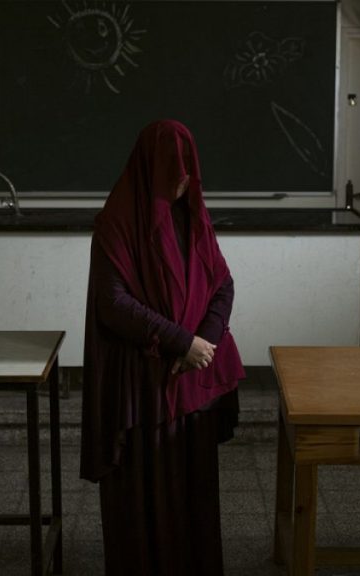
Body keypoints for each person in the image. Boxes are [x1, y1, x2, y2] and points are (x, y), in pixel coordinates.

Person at [80, 119, 245, 575]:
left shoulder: (193, 215)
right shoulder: (117, 222)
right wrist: (180, 343)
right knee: (145, 494)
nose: (182, 182)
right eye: (173, 172)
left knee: (192, 494)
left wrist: (205, 342)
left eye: (188, 172)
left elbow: (222, 284)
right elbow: (113, 304)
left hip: (190, 384)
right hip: (143, 388)